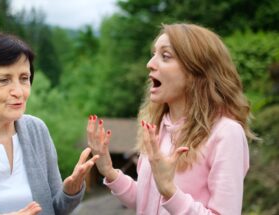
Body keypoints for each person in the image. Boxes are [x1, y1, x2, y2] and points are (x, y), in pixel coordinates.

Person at [87, 23, 257, 214]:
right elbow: (146, 202)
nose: (150, 64)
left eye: (165, 56)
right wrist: (110, 171)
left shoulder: (226, 133)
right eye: (153, 54)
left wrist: (169, 190)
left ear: (196, 71)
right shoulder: (158, 128)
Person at [0, 32, 98, 215]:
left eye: (24, 78)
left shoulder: (38, 130)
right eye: (4, 80)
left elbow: (55, 209)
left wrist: (71, 191)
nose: (19, 92)